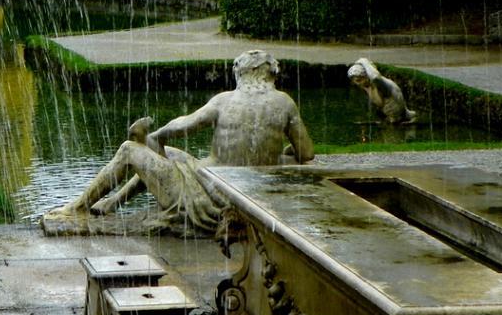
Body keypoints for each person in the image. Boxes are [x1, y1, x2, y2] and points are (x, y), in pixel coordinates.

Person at [44, 49, 314, 234]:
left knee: (129, 150)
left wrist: (156, 136)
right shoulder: (284, 103)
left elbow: (184, 124)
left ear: (240, 74)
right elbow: (307, 153)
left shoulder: (225, 100)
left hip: (210, 197)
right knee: (171, 154)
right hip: (248, 198)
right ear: (271, 75)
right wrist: (284, 152)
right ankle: (114, 202)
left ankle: (77, 208)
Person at [347, 58, 417, 124]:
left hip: (396, 117)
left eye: (359, 80)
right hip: (391, 118)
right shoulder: (367, 85)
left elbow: (375, 77)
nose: (358, 84)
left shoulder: (380, 83)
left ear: (367, 76)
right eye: (355, 81)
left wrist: (364, 62)